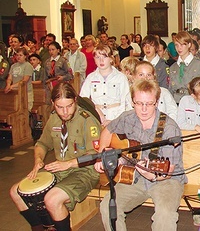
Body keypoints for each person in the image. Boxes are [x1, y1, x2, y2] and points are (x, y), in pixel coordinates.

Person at [95, 79, 187, 231]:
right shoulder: (127, 118)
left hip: (166, 181)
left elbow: (169, 171)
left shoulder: (170, 128)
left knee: (165, 215)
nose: (144, 109)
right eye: (139, 103)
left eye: (149, 104)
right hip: (134, 177)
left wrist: (152, 175)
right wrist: (101, 156)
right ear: (132, 102)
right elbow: (107, 130)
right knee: (108, 206)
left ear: (156, 103)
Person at [9, 82, 101, 231]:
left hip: (85, 171)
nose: (65, 112)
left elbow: (95, 154)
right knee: (16, 191)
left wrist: (69, 163)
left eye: (69, 106)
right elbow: (42, 144)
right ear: (53, 103)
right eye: (59, 107)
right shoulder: (53, 119)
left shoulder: (87, 120)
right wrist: (38, 159)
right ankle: (40, 228)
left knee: (52, 200)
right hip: (60, 168)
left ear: (75, 101)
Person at [80, 44, 132, 126]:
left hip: (116, 118)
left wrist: (115, 121)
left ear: (111, 59)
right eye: (97, 57)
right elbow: (83, 99)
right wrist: (96, 110)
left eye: (104, 57)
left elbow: (125, 101)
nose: (101, 61)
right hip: (96, 118)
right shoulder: (91, 78)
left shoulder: (120, 78)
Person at [169, 31, 200, 103]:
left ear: (189, 45)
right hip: (176, 101)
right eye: (176, 45)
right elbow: (170, 89)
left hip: (193, 102)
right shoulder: (173, 67)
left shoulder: (198, 64)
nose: (179, 48)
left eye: (182, 45)